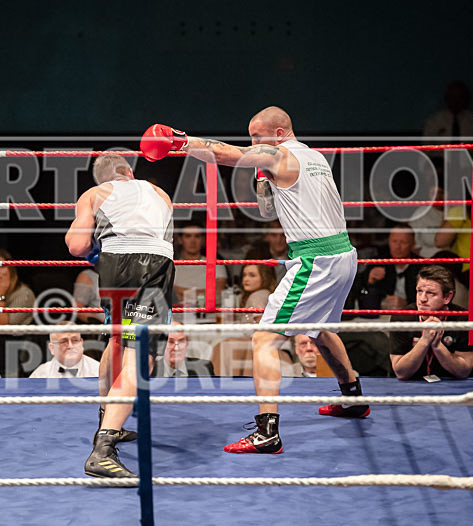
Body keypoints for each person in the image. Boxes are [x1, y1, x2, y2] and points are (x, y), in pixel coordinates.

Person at [141, 106, 368, 455]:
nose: (253, 145)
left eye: (257, 137)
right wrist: (263, 180)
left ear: (278, 134)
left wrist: (180, 141)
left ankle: (267, 432)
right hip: (343, 254)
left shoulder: (280, 154)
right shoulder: (315, 157)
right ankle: (353, 397)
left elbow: (223, 153)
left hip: (316, 260)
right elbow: (268, 211)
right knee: (321, 328)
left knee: (264, 338)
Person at [66, 154, 173, 478]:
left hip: (113, 266)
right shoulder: (158, 192)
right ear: (129, 171)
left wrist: (95, 248)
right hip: (151, 266)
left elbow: (76, 245)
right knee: (139, 357)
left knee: (118, 340)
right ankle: (103, 449)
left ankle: (107, 417)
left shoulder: (94, 194)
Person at [389, 265, 473, 381]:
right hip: (410, 385)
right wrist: (425, 341)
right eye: (419, 291)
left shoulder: (463, 319)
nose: (422, 299)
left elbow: (463, 371)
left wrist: (437, 346)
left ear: (447, 297)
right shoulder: (401, 318)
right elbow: (401, 373)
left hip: (451, 385)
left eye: (431, 293)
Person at [348, 224, 421, 315]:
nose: (398, 246)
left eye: (403, 242)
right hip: (381, 316)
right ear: (389, 241)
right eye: (394, 241)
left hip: (412, 316)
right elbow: (357, 290)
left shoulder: (421, 265)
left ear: (412, 244)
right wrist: (369, 280)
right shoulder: (378, 262)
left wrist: (408, 304)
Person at [173, 222, 228, 305]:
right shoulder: (173, 267)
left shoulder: (216, 264)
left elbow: (217, 294)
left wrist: (181, 292)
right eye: (188, 236)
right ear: (180, 240)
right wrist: (204, 293)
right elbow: (172, 295)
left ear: (203, 240)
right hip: (180, 312)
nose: (192, 241)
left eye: (197, 236)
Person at [30, 326, 100, 378]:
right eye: (63, 341)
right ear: (52, 348)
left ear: (81, 343)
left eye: (75, 340)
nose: (70, 346)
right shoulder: (40, 374)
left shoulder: (98, 370)